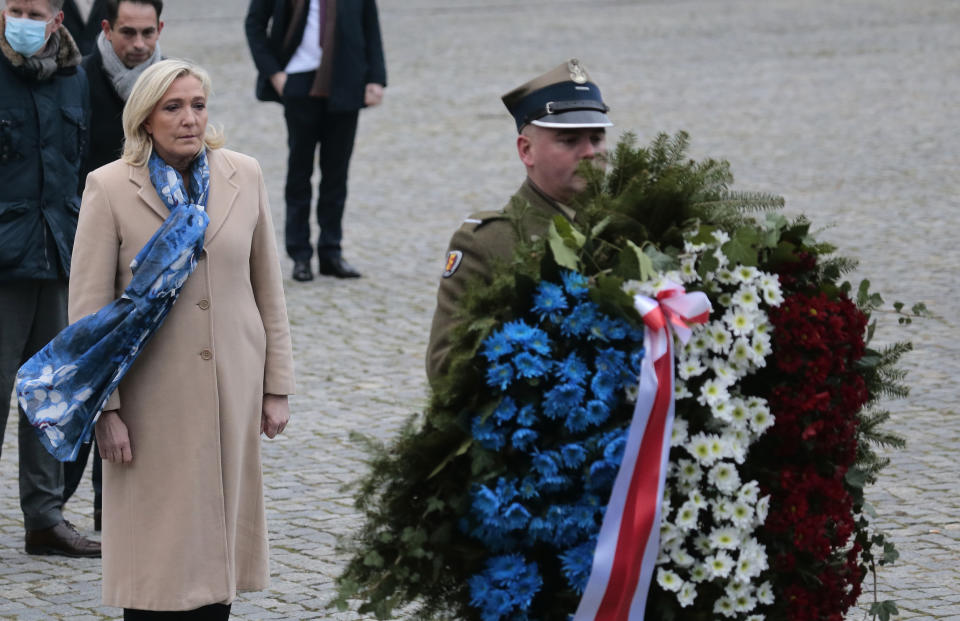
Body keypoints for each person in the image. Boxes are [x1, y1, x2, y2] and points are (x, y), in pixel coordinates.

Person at [71, 59, 295, 618]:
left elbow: (268, 287)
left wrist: (276, 386)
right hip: (149, 398)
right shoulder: (109, 187)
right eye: (173, 107)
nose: (189, 118)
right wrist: (106, 409)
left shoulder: (244, 174)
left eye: (197, 105)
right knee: (155, 556)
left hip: (231, 386)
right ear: (145, 118)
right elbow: (87, 314)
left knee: (217, 547)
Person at [426, 59, 612, 384]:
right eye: (569, 141)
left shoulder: (628, 227)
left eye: (596, 139)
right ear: (527, 151)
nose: (589, 153)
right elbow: (445, 367)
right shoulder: (489, 243)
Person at [0, 0, 100, 557]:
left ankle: (44, 519)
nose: (23, 19)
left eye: (35, 11)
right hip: (2, 263)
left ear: (58, 19)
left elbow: (79, 165)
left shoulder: (74, 78)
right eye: (14, 7)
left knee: (51, 396)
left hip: (60, 255)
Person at [63, 0, 164, 528]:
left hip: (151, 263)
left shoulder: (171, 86)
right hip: (88, 246)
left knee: (139, 388)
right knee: (91, 376)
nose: (140, 44)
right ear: (106, 29)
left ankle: (113, 513)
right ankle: (51, 506)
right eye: (129, 32)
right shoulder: (78, 79)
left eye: (149, 32)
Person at [244, 0, 387, 281]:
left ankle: (331, 252)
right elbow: (254, 24)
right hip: (297, 81)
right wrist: (274, 73)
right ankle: (299, 255)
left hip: (346, 81)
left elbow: (370, 25)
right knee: (300, 171)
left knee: (337, 173)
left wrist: (376, 78)